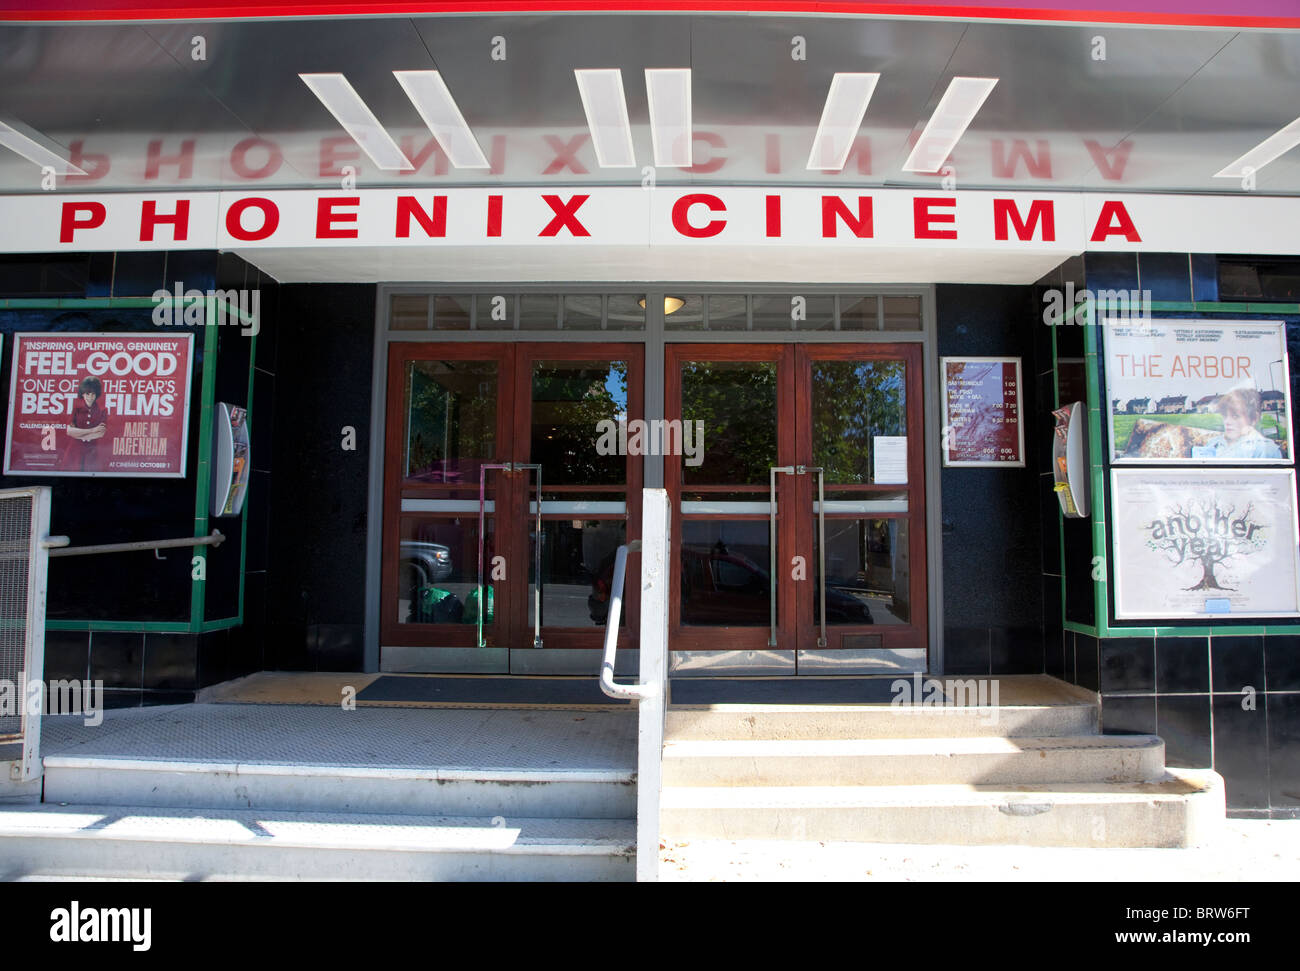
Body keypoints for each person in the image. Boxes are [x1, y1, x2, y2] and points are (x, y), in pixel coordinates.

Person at [1193, 386, 1282, 460]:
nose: (1227, 421)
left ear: (1254, 418)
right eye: (1225, 415)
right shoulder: (1213, 443)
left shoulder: (1265, 449)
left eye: (1235, 416)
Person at [61, 376, 108, 472]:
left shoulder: (103, 410)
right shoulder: (76, 409)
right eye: (87, 393)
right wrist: (93, 430)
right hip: (74, 451)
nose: (90, 397)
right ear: (83, 394)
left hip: (92, 452)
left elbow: (100, 433)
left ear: (96, 394)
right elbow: (70, 431)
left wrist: (79, 433)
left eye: (93, 394)